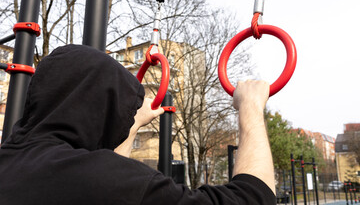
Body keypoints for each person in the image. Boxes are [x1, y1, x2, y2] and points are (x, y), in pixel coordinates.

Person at [0, 44, 275, 204]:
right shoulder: (105, 181)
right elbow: (253, 199)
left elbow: (101, 173)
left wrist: (129, 125)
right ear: (104, 108)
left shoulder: (11, 160)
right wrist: (250, 108)